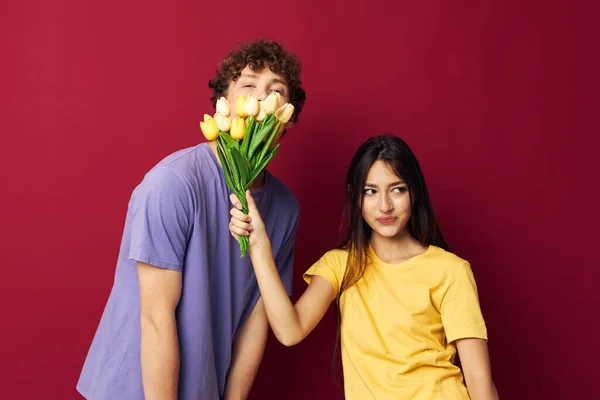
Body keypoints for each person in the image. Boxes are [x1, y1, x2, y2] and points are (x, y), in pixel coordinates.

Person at [77, 39, 307, 400]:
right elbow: (156, 318)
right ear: (224, 104)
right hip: (134, 389)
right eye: (248, 86)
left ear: (288, 118)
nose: (262, 100)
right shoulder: (174, 183)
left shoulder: (284, 208)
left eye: (275, 90)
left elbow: (255, 318)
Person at [228, 135, 499, 399]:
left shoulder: (450, 270)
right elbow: (289, 331)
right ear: (355, 196)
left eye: (398, 189)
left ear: (414, 193)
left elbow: (479, 380)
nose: (385, 206)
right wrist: (259, 244)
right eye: (371, 191)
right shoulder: (341, 265)